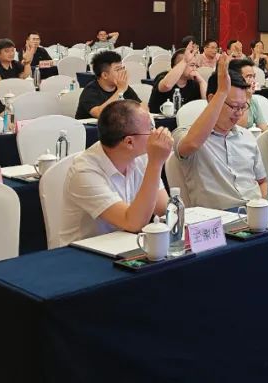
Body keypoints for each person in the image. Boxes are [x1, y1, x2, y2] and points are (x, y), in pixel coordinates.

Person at [59, 100, 172, 245]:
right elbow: (132, 223)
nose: (155, 133)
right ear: (129, 142)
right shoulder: (84, 172)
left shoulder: (142, 157)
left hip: (125, 245)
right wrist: (156, 164)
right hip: (85, 251)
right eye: (150, 129)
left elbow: (164, 210)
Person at [174, 54, 268, 209]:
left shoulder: (247, 136)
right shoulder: (185, 134)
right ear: (212, 99)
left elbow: (262, 181)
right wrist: (222, 92)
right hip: (219, 218)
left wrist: (262, 207)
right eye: (234, 106)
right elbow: (191, 144)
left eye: (243, 107)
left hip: (254, 212)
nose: (239, 113)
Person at [76, 50, 141, 119]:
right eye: (118, 69)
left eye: (122, 68)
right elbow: (100, 113)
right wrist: (120, 91)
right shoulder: (90, 90)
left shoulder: (122, 86)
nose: (122, 72)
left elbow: (141, 106)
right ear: (105, 75)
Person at [148, 46, 206, 114]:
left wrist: (202, 82)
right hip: (161, 119)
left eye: (196, 66)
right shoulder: (163, 77)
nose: (195, 69)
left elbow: (207, 104)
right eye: (192, 65)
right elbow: (167, 85)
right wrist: (185, 61)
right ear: (178, 66)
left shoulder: (194, 82)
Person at [231, 58, 268, 131]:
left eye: (254, 76)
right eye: (249, 77)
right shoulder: (229, 101)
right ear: (236, 78)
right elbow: (238, 130)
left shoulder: (253, 100)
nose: (253, 81)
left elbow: (264, 128)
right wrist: (247, 98)